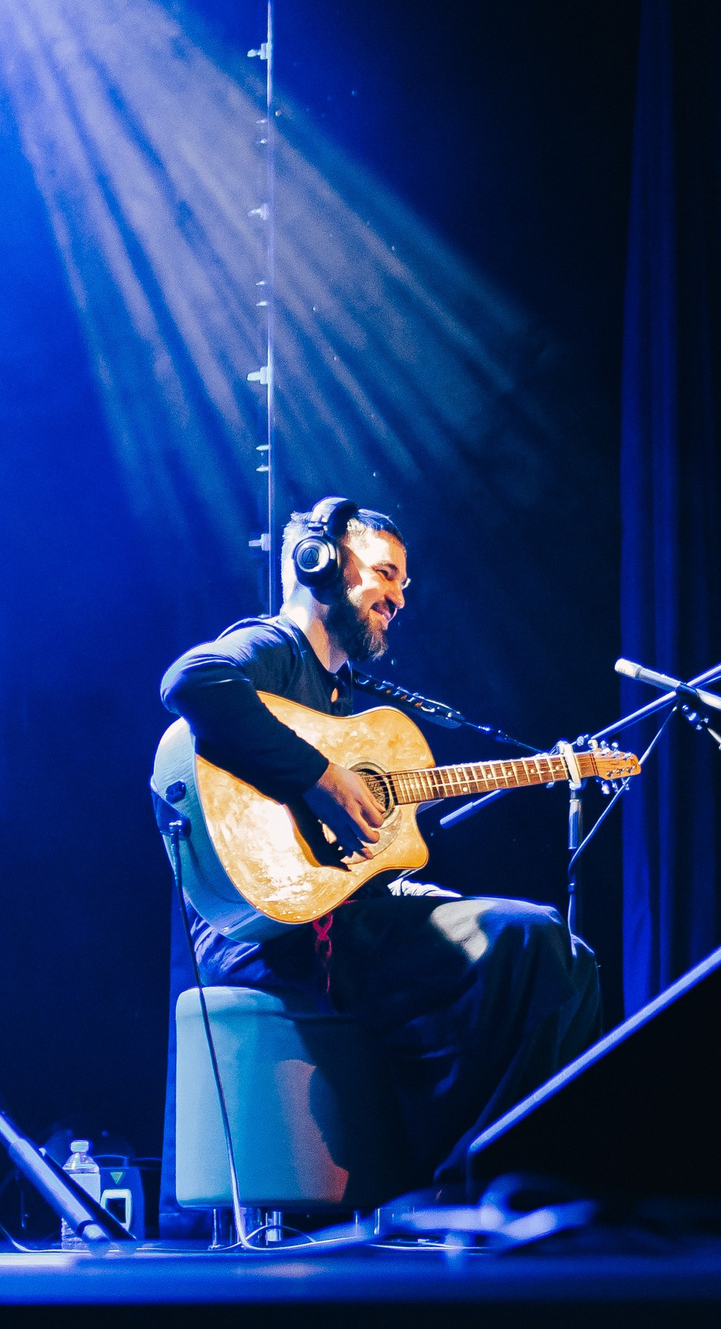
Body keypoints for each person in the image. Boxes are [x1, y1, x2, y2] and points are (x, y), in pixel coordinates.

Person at [159, 498, 601, 1185]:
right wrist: (321, 776)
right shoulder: (274, 648)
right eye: (386, 573)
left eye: (403, 583)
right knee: (526, 941)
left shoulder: (344, 696)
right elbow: (191, 681)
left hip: (346, 915)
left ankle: (525, 1174)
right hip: (277, 936)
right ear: (323, 565)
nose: (398, 596)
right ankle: (467, 1184)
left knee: (563, 954)